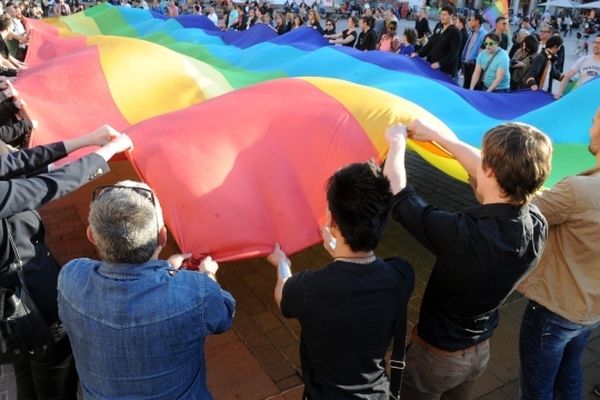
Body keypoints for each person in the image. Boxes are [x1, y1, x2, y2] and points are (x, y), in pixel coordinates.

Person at [383, 119, 552, 399]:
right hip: (478, 352)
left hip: (435, 359)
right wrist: (440, 137)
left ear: (489, 169)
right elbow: (491, 172)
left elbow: (399, 194)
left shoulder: (464, 235)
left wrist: (397, 141)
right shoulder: (537, 225)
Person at [57, 181, 236, 399]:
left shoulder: (71, 277)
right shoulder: (197, 293)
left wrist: (168, 269)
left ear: (91, 236)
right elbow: (224, 314)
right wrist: (209, 275)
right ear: (162, 236)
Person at [0, 123, 133, 400]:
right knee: (54, 383)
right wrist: (105, 152)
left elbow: (14, 163)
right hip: (30, 309)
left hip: (17, 310)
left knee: (25, 369)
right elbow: (43, 188)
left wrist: (82, 140)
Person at [268, 162, 414, 399]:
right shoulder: (401, 275)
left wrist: (282, 263)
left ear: (331, 220)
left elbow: (281, 294)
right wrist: (338, 251)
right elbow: (359, 272)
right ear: (383, 220)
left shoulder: (308, 289)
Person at [518, 108, 600, 399]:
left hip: (555, 309)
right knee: (569, 372)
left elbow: (522, 216)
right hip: (589, 308)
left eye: (594, 122)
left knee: (537, 387)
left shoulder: (579, 190)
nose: (590, 128)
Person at [412, 6, 461, 78]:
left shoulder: (455, 32)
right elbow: (430, 43)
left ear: (451, 16)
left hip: (445, 71)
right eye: (441, 14)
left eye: (444, 15)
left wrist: (439, 64)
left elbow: (453, 54)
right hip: (431, 66)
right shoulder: (438, 26)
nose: (442, 17)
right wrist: (419, 54)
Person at [554, 34, 600, 99]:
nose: (596, 45)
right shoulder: (584, 59)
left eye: (599, 43)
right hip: (581, 97)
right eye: (595, 42)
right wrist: (559, 93)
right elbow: (567, 77)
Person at [461, 14, 487, 89]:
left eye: (472, 20)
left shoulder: (484, 34)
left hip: (474, 65)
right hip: (466, 63)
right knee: (465, 85)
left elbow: (482, 51)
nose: (470, 22)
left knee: (472, 87)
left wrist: (474, 60)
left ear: (477, 21)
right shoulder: (472, 32)